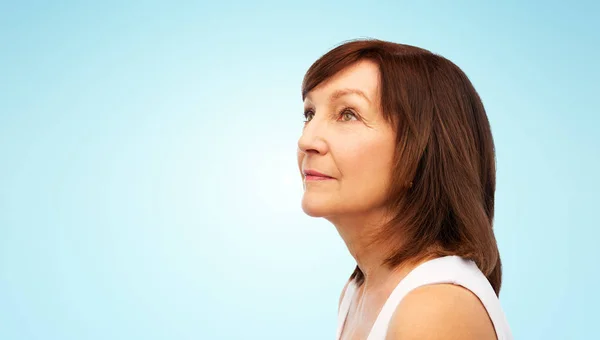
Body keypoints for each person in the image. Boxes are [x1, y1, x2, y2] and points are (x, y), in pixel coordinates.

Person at [296, 39, 513, 340]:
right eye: (309, 114)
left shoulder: (433, 309)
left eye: (348, 114)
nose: (307, 140)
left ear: (422, 152)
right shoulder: (358, 291)